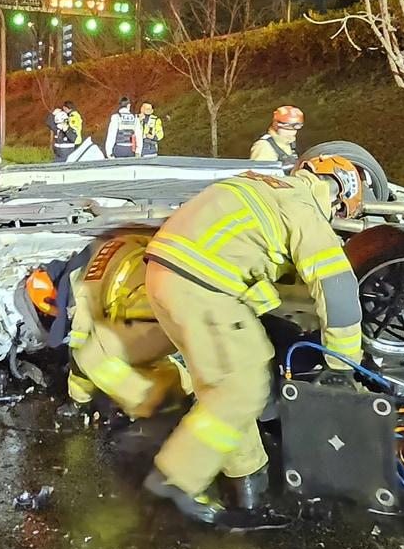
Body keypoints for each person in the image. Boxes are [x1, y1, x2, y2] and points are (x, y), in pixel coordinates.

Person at [139, 155, 367, 525]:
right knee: (242, 391)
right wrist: (342, 365)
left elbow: (241, 249)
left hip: (164, 276)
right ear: (337, 192)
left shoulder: (259, 185)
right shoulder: (303, 206)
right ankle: (174, 484)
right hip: (202, 286)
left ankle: (246, 487)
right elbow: (337, 287)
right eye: (338, 209)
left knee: (226, 386)